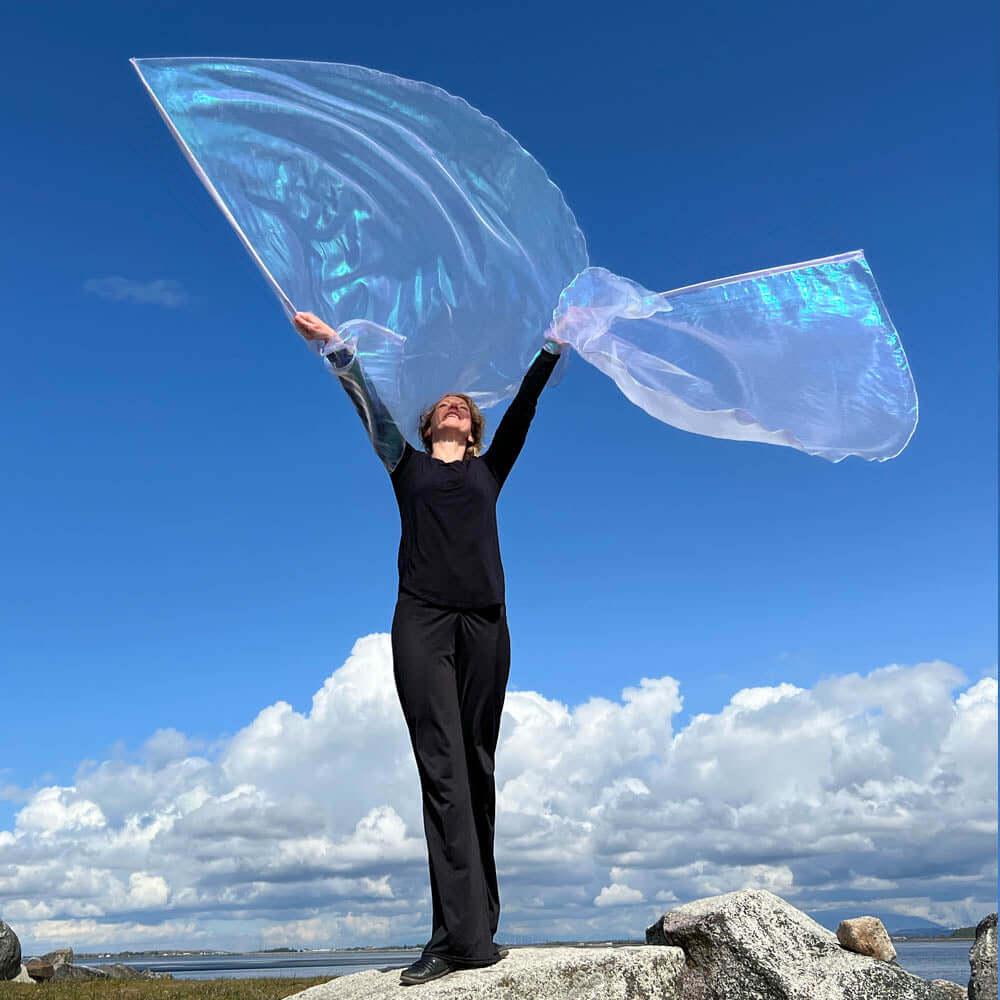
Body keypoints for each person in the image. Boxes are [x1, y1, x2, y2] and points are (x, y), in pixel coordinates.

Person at [292, 311, 564, 986]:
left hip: (486, 624)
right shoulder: (404, 466)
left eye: (464, 407)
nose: (453, 405)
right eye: (443, 404)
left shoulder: (491, 470)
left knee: (476, 766)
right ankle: (453, 938)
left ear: (473, 429)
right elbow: (370, 410)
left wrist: (554, 344)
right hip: (421, 621)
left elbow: (526, 403)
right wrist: (337, 351)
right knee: (440, 768)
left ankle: (479, 925)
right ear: (427, 426)